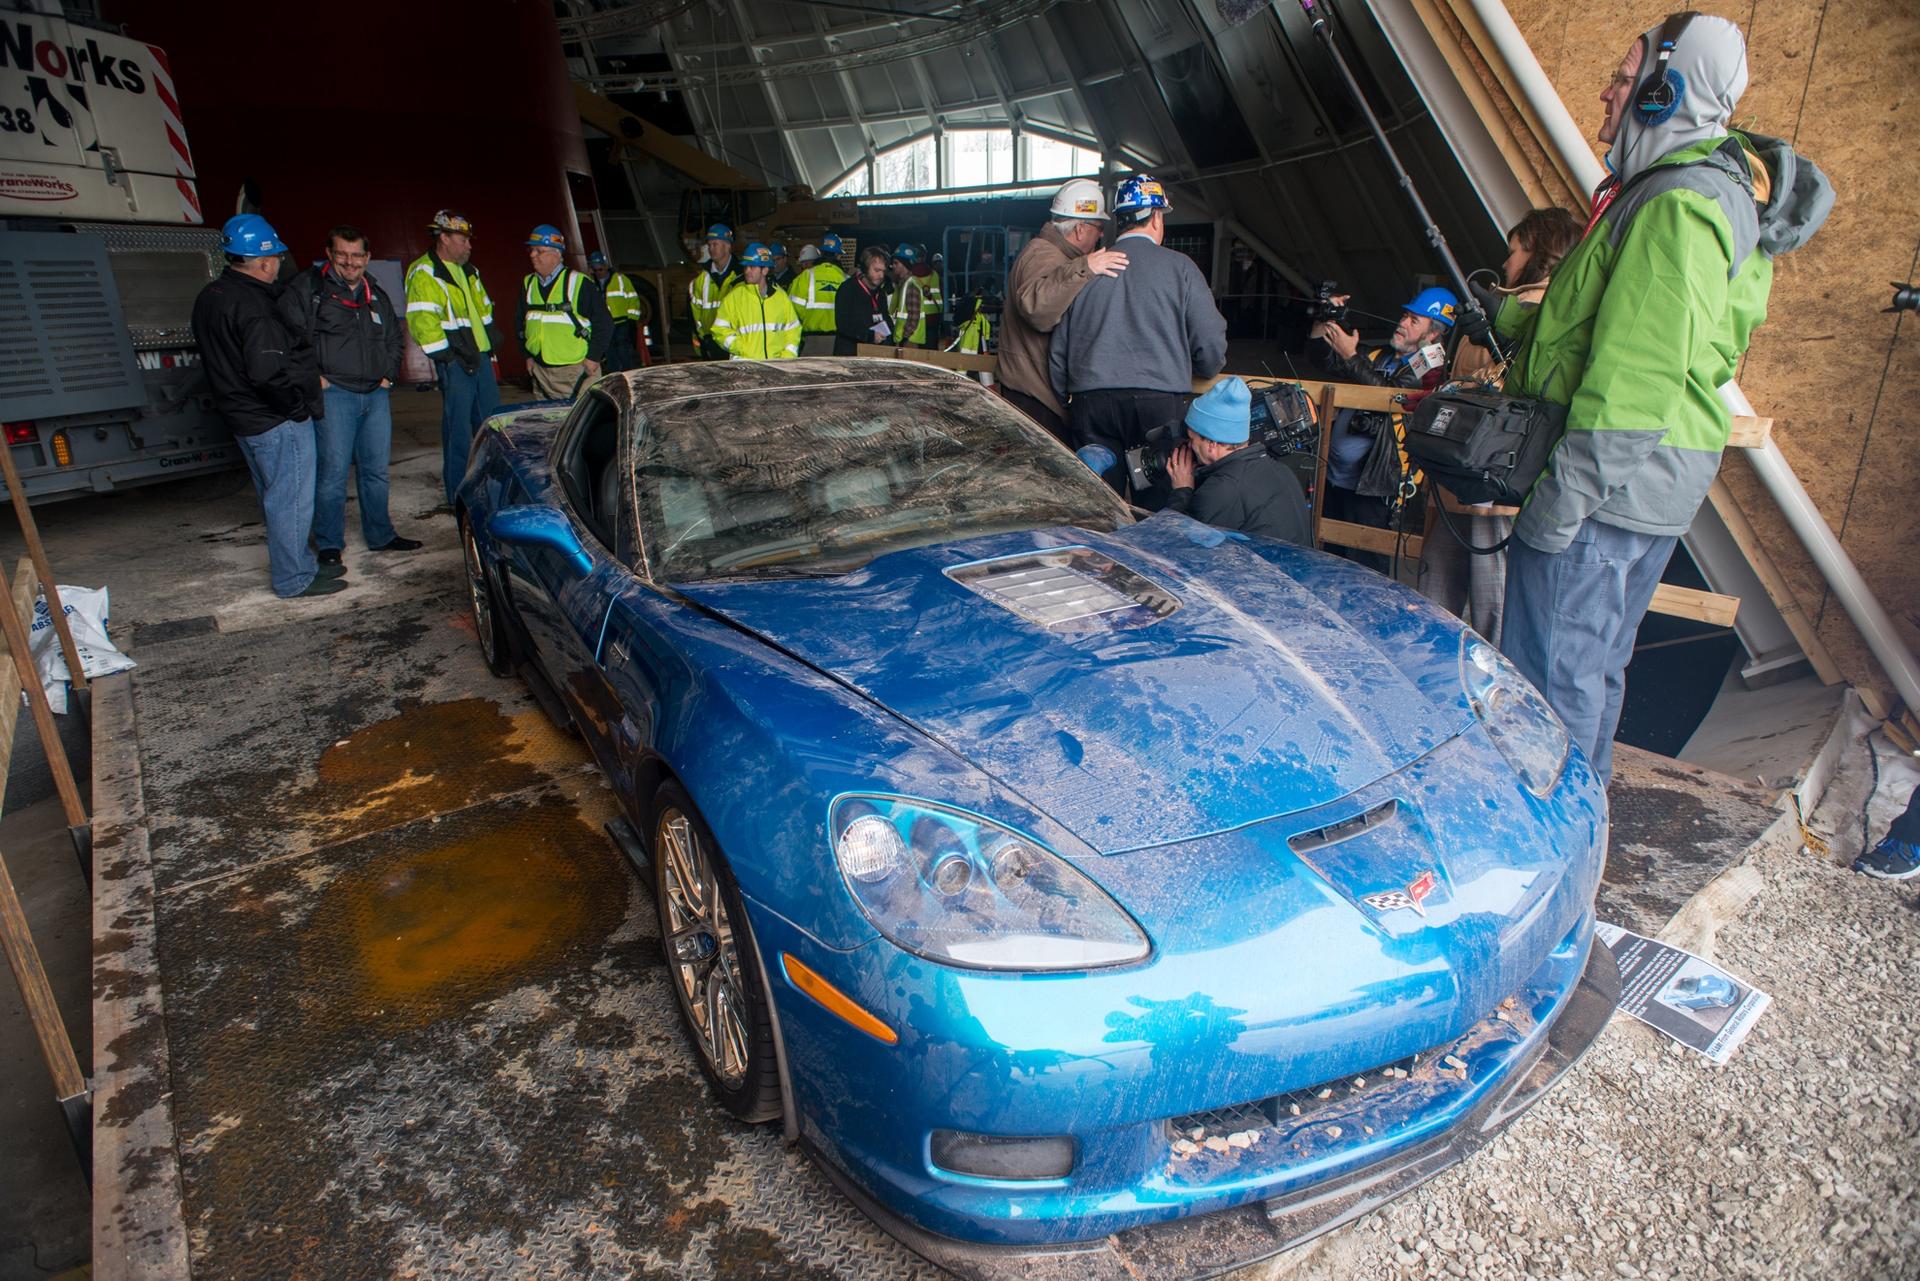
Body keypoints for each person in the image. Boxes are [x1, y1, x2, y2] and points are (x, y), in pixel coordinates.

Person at [1499, 13, 1829, 785]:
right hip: (1639, 486)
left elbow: (1637, 380)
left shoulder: (1680, 202)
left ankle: (1553, 833)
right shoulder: (1695, 192)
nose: (1608, 92)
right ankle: (1580, 818)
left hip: (1605, 490)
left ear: (1663, 93)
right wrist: (1516, 319)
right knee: (1589, 671)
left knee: (1551, 686)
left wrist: (1560, 503)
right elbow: (1618, 326)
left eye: (1626, 78)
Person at [1417, 208, 1582, 643]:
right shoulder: (1507, 307)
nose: (1506, 262)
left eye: (1515, 251)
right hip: (1461, 474)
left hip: (1495, 479)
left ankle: (1492, 680)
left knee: (1490, 602)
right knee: (1438, 588)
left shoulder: (1546, 313)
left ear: (1541, 253)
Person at [1048, 174, 1227, 509]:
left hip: (1091, 404)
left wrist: (1067, 400)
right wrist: (1205, 368)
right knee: (1157, 506)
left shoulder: (1089, 270)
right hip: (1156, 406)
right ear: (1156, 217)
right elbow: (1210, 347)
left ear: (1119, 220)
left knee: (1100, 507)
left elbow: (1059, 352)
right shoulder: (1180, 269)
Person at [192, 214, 342, 599]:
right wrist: (296, 409)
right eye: (275, 257)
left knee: (276, 498)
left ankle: (299, 565)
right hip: (273, 419)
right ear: (262, 262)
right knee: (290, 501)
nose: (278, 263)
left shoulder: (211, 296)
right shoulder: (256, 306)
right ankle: (294, 579)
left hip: (242, 417)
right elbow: (267, 373)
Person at [278, 224, 420, 570]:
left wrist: (389, 374)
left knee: (376, 472)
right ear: (329, 254)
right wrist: (313, 378)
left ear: (367, 257)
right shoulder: (309, 289)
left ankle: (381, 535)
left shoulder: (375, 293)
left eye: (357, 255)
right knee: (333, 474)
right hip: (335, 394)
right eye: (342, 254)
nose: (350, 262)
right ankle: (329, 543)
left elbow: (394, 338)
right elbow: (287, 337)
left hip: (375, 395)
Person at [1311, 287, 1457, 570]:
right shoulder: (1381, 355)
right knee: (1329, 559)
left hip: (1374, 485)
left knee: (1366, 566)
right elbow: (1323, 359)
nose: (1402, 323)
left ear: (1432, 335)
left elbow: (1392, 395)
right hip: (1337, 477)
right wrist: (1325, 318)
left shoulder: (1431, 365)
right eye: (1404, 316)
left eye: (1414, 321)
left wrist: (1351, 355)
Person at [999, 178, 1129, 445]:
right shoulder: (1045, 256)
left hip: (1035, 396)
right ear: (1080, 229)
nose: (1100, 235)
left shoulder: (1052, 254)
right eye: (1098, 227)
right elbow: (1037, 309)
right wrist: (1085, 268)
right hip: (1035, 400)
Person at [406, 209, 501, 508]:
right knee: (458, 432)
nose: (469, 245)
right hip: (456, 362)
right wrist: (448, 358)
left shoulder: (470, 271)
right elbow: (423, 322)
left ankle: (490, 488)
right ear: (443, 238)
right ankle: (457, 495)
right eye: (463, 240)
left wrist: (490, 346)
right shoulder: (425, 272)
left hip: (480, 358)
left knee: (491, 426)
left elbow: (484, 312)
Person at [1165, 377, 1312, 545]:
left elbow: (1180, 548)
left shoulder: (1221, 489)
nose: (1190, 446)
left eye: (1192, 439)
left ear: (1212, 443)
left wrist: (1182, 491)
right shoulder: (1281, 470)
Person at [517, 224, 611, 400]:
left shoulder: (579, 283)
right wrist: (527, 356)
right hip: (540, 371)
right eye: (531, 250)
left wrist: (593, 357)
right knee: (547, 417)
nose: (532, 255)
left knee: (579, 417)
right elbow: (520, 323)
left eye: (539, 251)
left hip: (575, 371)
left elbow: (604, 323)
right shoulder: (528, 284)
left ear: (556, 253)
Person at [709, 242, 801, 359]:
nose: (747, 271)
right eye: (746, 267)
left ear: (765, 270)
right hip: (745, 365)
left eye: (752, 267)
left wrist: (786, 357)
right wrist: (741, 348)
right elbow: (719, 329)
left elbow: (793, 330)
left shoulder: (780, 297)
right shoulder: (734, 297)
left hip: (775, 366)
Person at [689, 223, 740, 359]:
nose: (711, 249)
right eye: (709, 245)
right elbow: (695, 313)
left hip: (735, 343)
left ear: (728, 245)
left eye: (715, 244)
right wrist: (704, 338)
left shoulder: (741, 275)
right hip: (710, 343)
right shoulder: (702, 278)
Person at [790, 234, 846, 356]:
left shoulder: (806, 276)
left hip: (811, 341)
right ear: (839, 255)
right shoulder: (846, 279)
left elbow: (792, 310)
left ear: (821, 253)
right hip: (839, 342)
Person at [834, 244, 894, 355]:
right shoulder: (848, 289)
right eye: (877, 270)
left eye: (883, 271)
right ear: (865, 268)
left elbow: (885, 317)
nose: (881, 275)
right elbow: (843, 324)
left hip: (874, 353)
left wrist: (889, 332)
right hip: (850, 353)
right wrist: (870, 336)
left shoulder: (881, 293)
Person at [588, 250, 643, 372]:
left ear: (606, 266)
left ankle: (627, 371)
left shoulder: (620, 279)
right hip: (605, 323)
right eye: (595, 270)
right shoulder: (591, 283)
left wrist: (632, 318)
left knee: (622, 347)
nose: (598, 272)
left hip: (621, 321)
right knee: (609, 349)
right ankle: (615, 373)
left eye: (600, 269)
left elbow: (633, 298)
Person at [887, 244, 929, 348]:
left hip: (909, 341)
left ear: (905, 264)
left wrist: (905, 339)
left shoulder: (911, 286)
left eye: (896, 263)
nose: (893, 266)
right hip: (904, 339)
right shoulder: (903, 284)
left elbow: (914, 316)